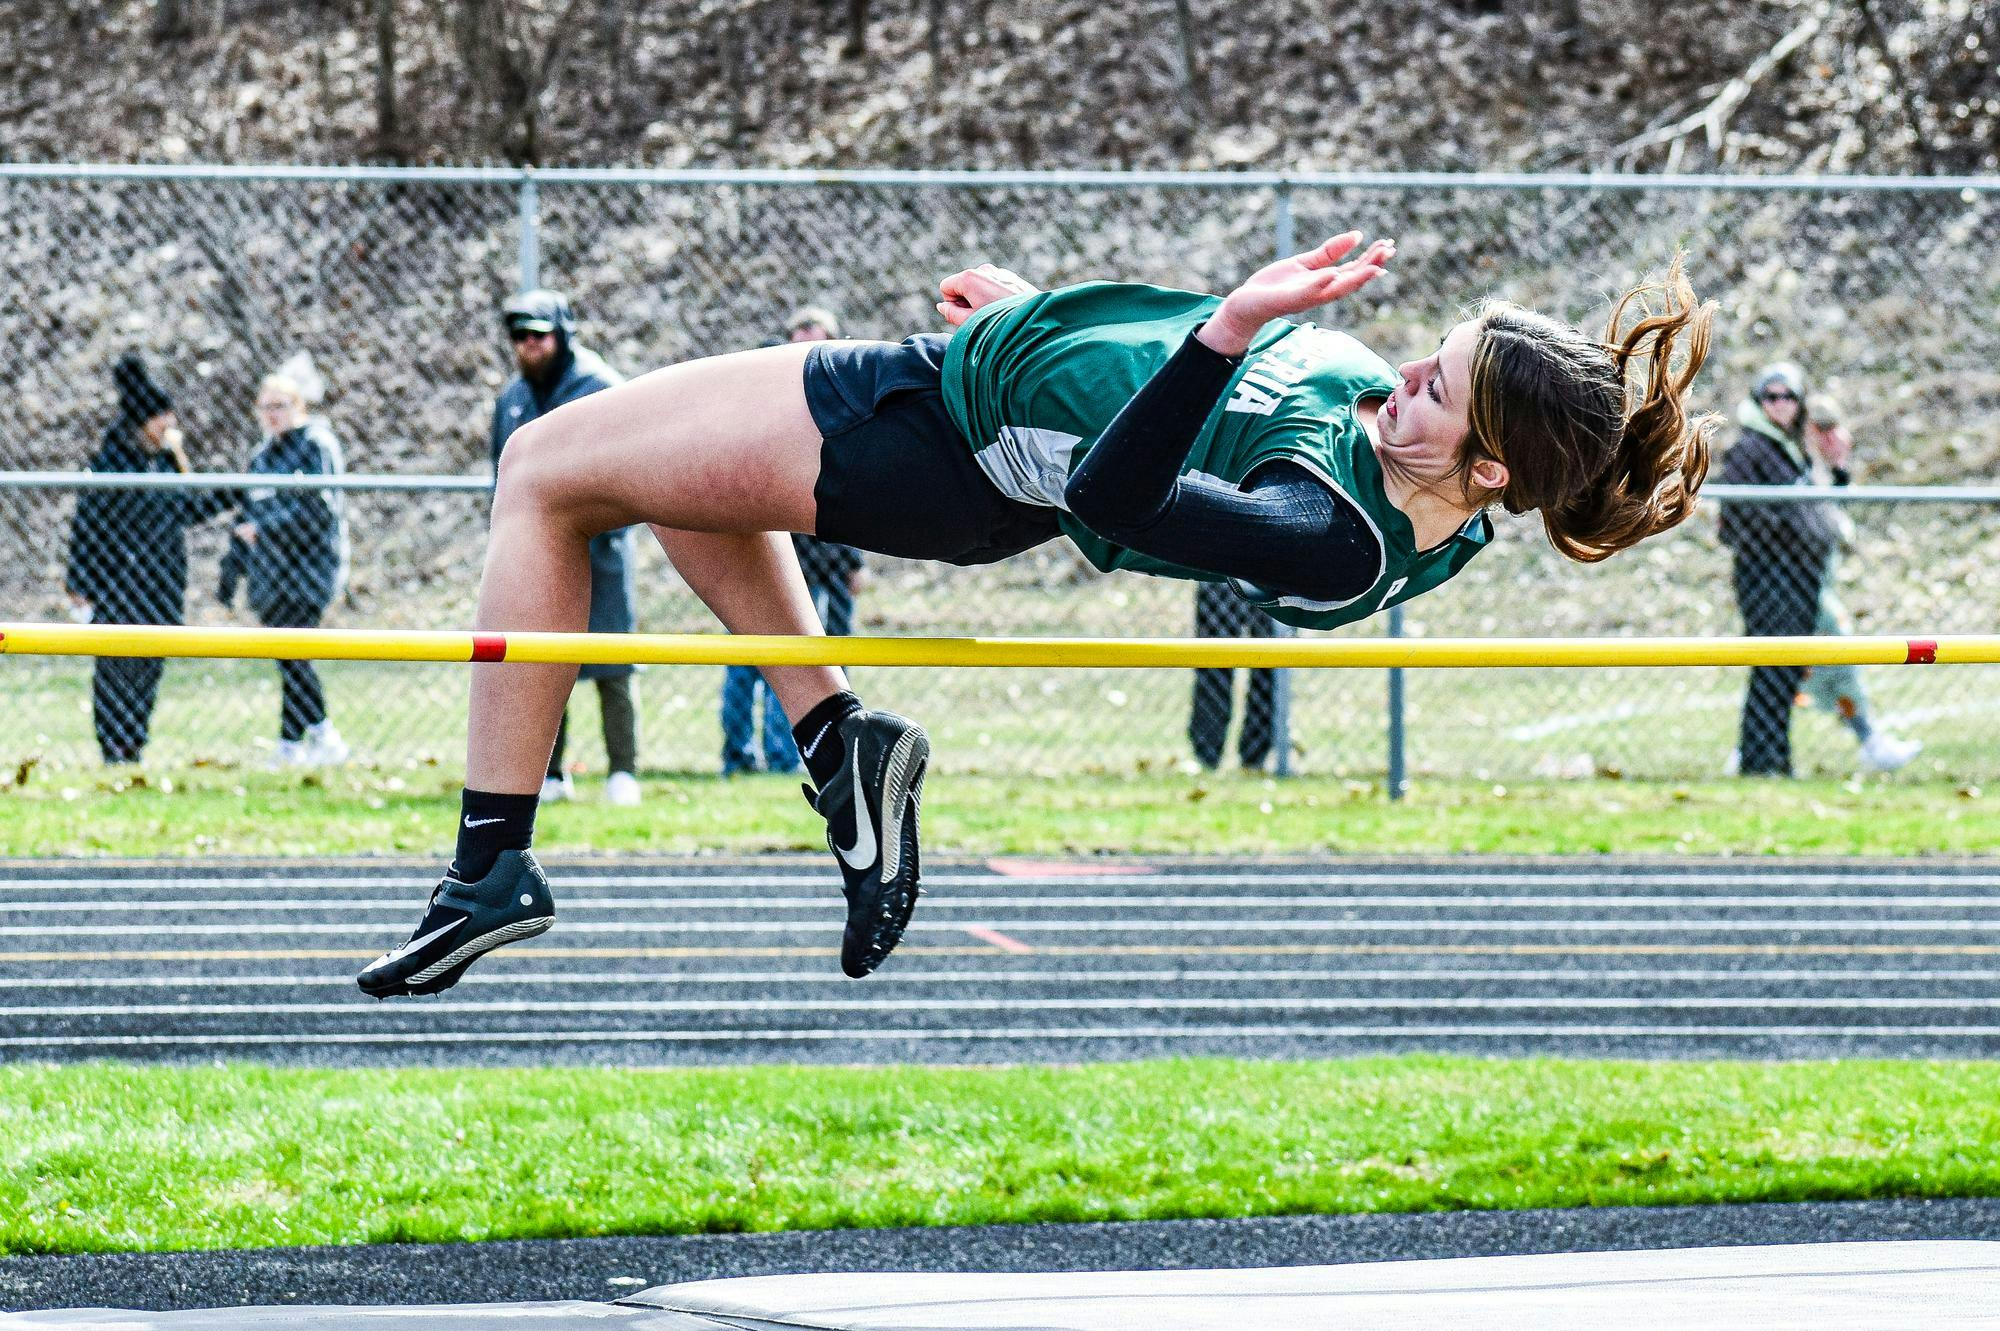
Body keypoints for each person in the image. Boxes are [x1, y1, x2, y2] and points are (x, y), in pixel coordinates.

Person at [359, 232, 1714, 1000]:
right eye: (1425, 355)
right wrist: (1045, 316)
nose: (1402, 381)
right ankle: (839, 747)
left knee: (543, 472)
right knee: (655, 481)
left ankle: (494, 867)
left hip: (939, 435)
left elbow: (1119, 491)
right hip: (973, 379)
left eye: (1430, 390)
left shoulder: (1334, 535)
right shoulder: (1431, 467)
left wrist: (1235, 319)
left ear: (1483, 473)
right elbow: (1169, 377)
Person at [1718, 364, 1919, 776]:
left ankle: (1770, 760)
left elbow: (1825, 512)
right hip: (1767, 575)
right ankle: (1761, 761)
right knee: (1773, 665)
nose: (1780, 405)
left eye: (1788, 397)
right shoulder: (1751, 449)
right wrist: (1790, 522)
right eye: (1771, 397)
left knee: (1789, 666)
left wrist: (1834, 472)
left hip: (1802, 576)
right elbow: (1736, 519)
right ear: (1758, 401)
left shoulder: (1789, 450)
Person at [489, 288, 643, 807]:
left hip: (599, 548)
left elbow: (630, 471)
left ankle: (623, 771)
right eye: (519, 337)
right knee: (542, 665)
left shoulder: (602, 389)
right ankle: (549, 774)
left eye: (538, 335)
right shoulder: (512, 398)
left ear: (562, 335)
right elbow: (503, 475)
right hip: (538, 554)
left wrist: (602, 526)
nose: (528, 346)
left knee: (612, 664)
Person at [722, 307, 871, 776]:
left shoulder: (844, 394)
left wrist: (854, 560)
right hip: (767, 545)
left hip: (827, 550)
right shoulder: (763, 392)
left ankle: (807, 751)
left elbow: (854, 482)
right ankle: (740, 755)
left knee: (827, 655)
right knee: (750, 658)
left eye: (816, 340)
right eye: (797, 339)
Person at [65, 354, 231, 765]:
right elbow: (86, 528)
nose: (169, 429)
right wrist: (81, 584)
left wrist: (234, 492)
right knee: (115, 669)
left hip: (161, 584)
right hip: (117, 586)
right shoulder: (109, 466)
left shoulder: (166, 464)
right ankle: (113, 745)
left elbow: (185, 510)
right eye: (162, 421)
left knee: (149, 667)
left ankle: (135, 743)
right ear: (143, 422)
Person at [218, 355, 353, 768]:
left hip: (309, 568)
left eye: (281, 405)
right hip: (270, 574)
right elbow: (248, 515)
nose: (273, 414)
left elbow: (320, 511)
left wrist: (267, 529)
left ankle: (318, 736)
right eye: (266, 407)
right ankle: (296, 744)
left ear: (300, 407)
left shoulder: (315, 446)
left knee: (293, 653)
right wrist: (231, 571)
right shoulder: (261, 456)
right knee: (289, 655)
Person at [1189, 580, 1277, 771]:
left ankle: (1256, 755)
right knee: (1213, 662)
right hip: (1221, 570)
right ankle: (1207, 754)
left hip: (1275, 573)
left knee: (1272, 664)